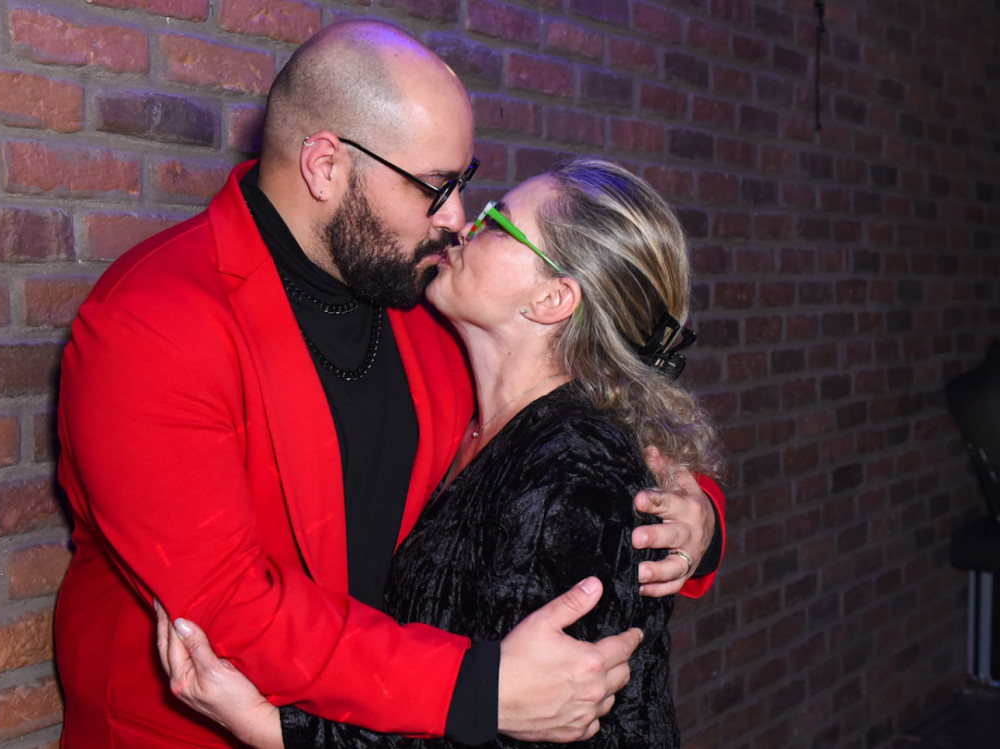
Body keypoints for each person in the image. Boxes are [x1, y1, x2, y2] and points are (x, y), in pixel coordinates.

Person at [55, 19, 726, 748]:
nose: (458, 220)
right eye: (436, 188)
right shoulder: (153, 324)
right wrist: (477, 688)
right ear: (326, 167)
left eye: (463, 184)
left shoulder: (429, 304)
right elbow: (228, 610)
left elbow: (577, 431)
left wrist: (695, 524)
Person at [156, 158, 721, 748]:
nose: (464, 228)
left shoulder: (570, 467)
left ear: (554, 298)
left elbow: (522, 725)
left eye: (499, 223)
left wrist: (274, 731)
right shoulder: (484, 415)